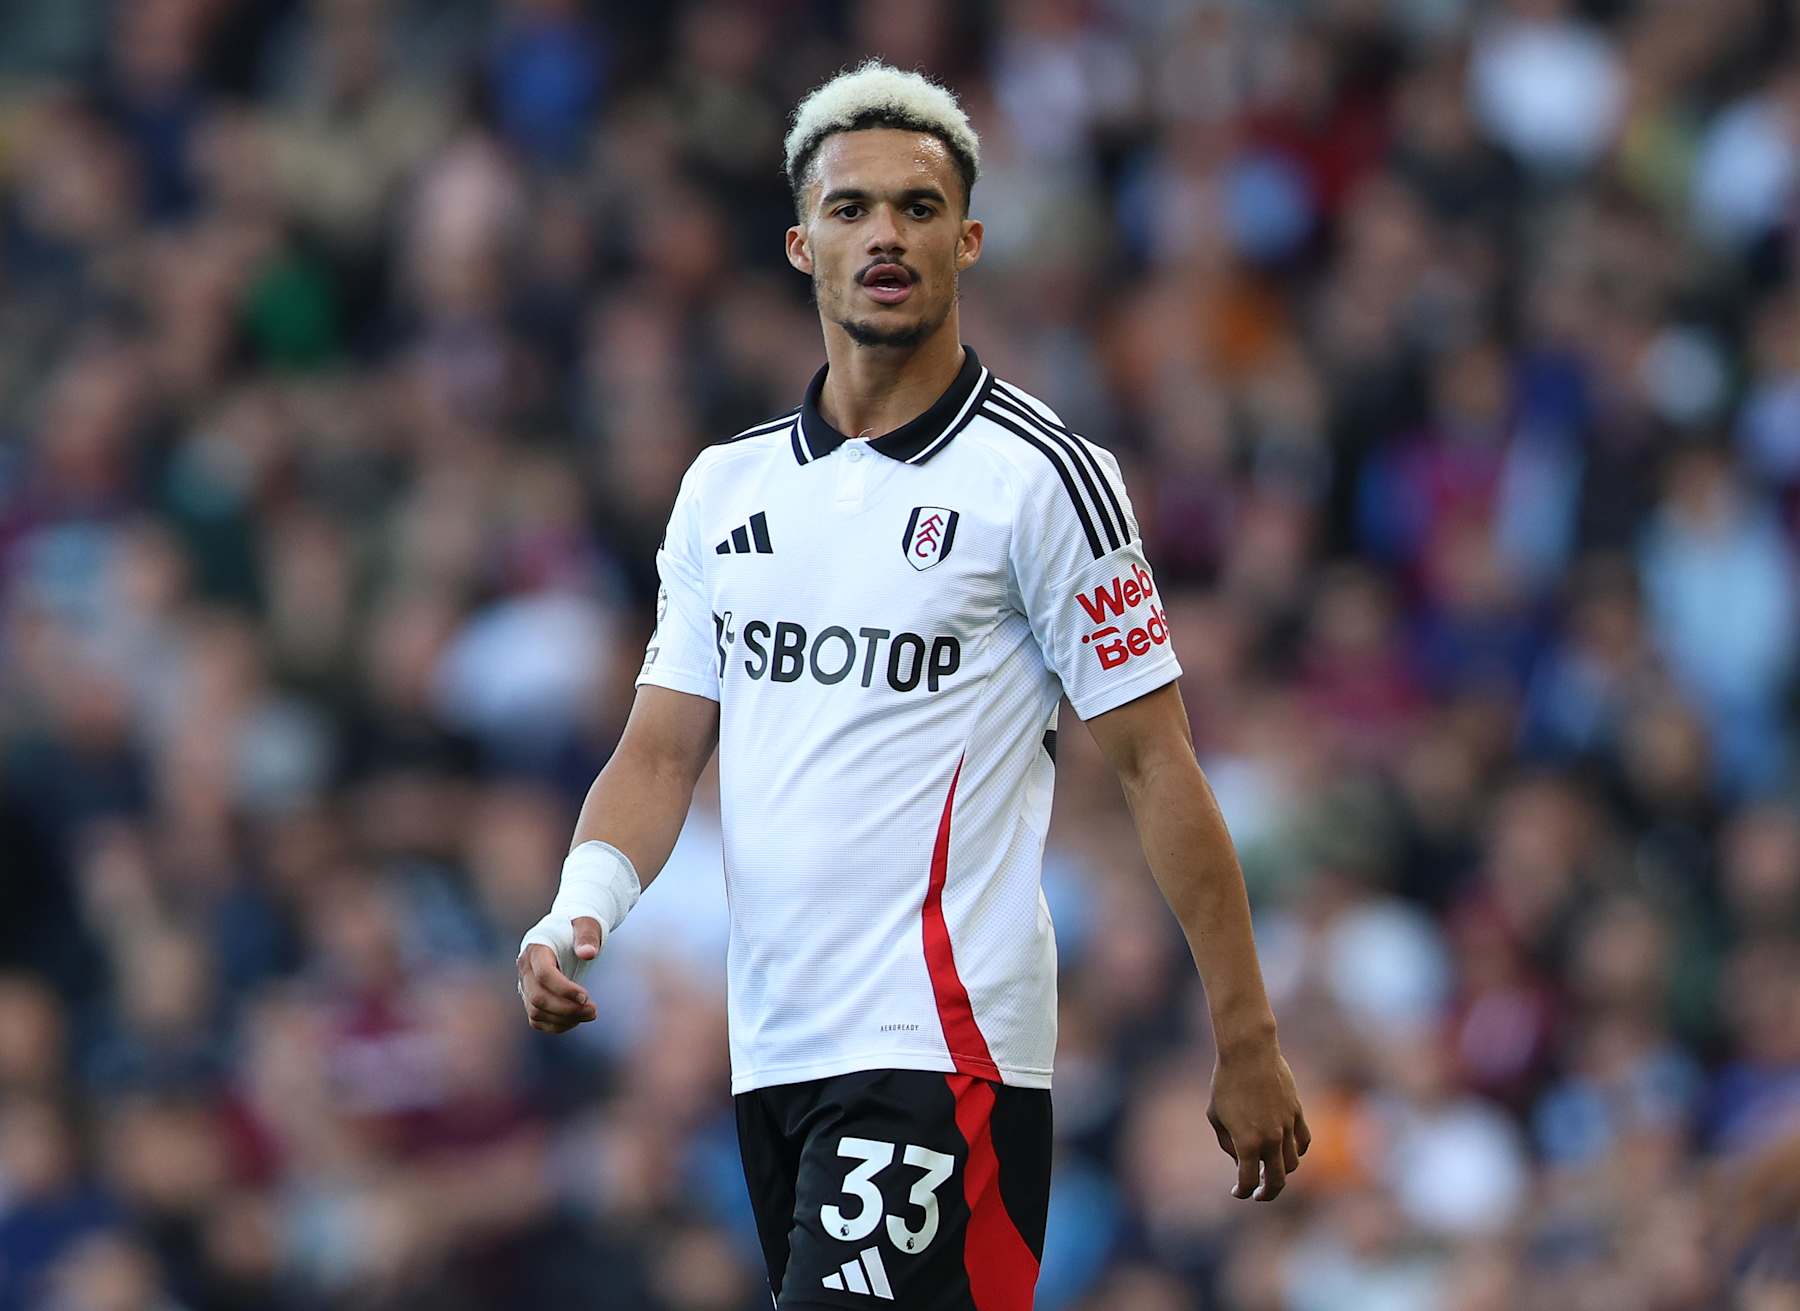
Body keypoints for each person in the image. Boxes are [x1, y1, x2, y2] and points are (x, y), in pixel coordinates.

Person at [516, 61, 1308, 1309]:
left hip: (945, 1047)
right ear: (800, 244)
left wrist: (1246, 1036)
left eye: (919, 207)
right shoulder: (727, 491)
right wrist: (578, 909)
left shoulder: (1044, 479)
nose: (885, 232)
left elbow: (1159, 765)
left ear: (968, 239)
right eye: (851, 209)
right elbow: (662, 752)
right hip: (775, 1046)